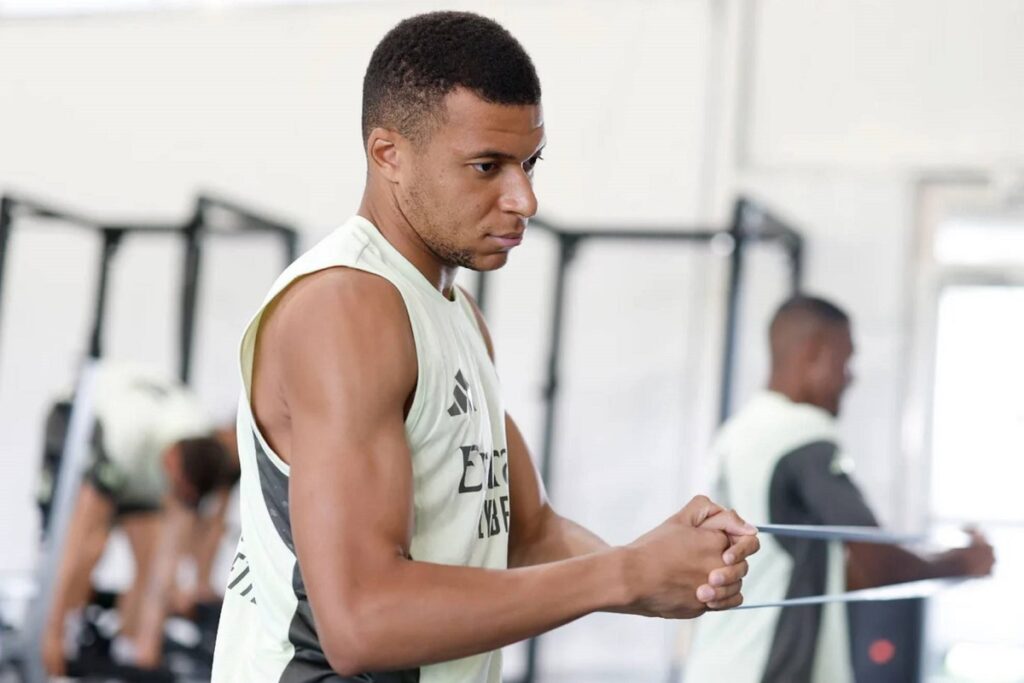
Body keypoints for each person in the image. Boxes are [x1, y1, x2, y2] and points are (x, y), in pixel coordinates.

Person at [211, 11, 760, 683]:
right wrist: (624, 574)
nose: (524, 196)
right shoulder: (344, 308)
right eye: (486, 166)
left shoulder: (454, 312)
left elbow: (527, 532)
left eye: (529, 163)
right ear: (389, 155)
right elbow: (360, 621)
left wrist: (660, 566)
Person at [682, 295, 995, 683]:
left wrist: (944, 555)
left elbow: (831, 568)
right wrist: (966, 562)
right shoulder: (799, 433)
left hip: (716, 664)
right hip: (768, 670)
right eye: (846, 361)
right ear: (814, 353)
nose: (850, 377)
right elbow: (880, 561)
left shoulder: (740, 432)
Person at [40, 360, 238, 676]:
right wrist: (51, 636)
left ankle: (133, 648)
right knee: (91, 547)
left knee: (153, 553)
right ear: (173, 462)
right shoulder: (125, 437)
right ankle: (57, 636)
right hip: (81, 419)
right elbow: (80, 539)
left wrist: (149, 654)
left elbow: (167, 558)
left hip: (145, 447)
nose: (174, 496)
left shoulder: (200, 442)